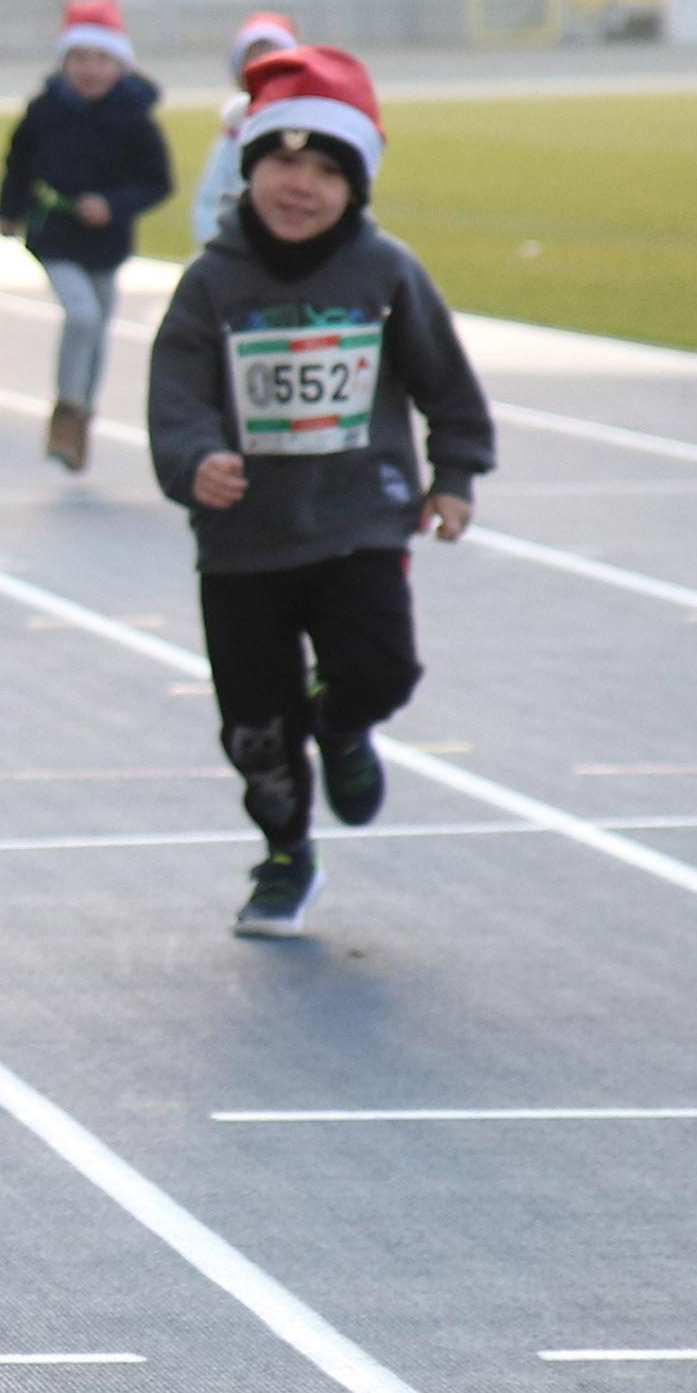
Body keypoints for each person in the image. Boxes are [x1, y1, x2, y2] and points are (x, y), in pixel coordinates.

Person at [146, 47, 494, 938]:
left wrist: (453, 475)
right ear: (250, 168)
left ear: (356, 186)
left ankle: (341, 725)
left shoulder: (385, 274)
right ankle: (286, 855)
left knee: (380, 670)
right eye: (283, 164)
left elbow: (444, 384)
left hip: (361, 520)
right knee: (257, 731)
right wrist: (197, 463)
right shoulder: (212, 282)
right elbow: (176, 394)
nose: (300, 187)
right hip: (244, 539)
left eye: (326, 172)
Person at [0, 0, 172, 471]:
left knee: (98, 327)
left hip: (107, 241)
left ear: (119, 63)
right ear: (64, 61)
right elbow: (17, 163)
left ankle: (82, 419)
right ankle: (66, 411)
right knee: (81, 316)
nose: (89, 70)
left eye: (101, 60)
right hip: (54, 231)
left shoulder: (135, 117)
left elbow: (158, 181)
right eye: (79, 59)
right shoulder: (44, 110)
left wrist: (113, 205)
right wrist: (8, 212)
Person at [188, 11, 300, 247]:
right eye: (255, 59)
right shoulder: (234, 131)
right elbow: (210, 200)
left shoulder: (305, 128)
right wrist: (215, 246)